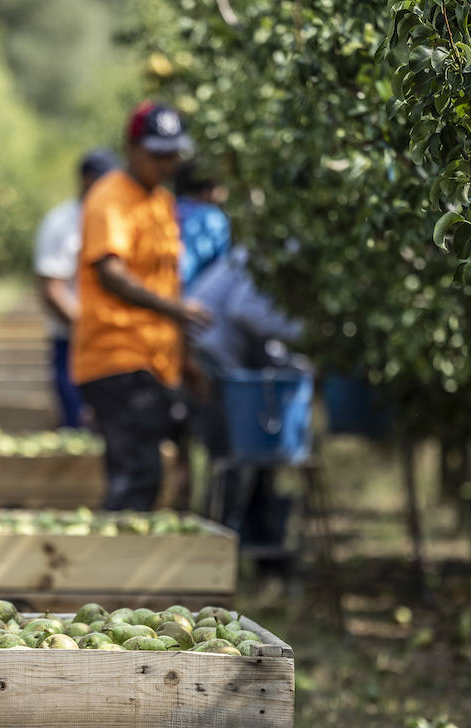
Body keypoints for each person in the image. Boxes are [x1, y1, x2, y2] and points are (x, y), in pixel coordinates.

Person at [72, 101, 211, 510]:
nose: (166, 164)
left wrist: (185, 358)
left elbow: (168, 280)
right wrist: (174, 311)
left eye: (173, 155)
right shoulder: (110, 198)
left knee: (148, 475)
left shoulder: (161, 202)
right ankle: (109, 567)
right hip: (116, 358)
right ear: (131, 149)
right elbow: (110, 273)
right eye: (157, 155)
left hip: (153, 362)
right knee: (138, 475)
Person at [188, 245, 305, 555]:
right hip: (209, 359)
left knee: (238, 463)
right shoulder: (273, 254)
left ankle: (237, 548)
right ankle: (214, 555)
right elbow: (246, 310)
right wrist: (308, 332)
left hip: (219, 361)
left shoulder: (264, 252)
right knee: (231, 462)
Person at [33, 148, 119, 428]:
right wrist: (87, 327)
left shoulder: (115, 219)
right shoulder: (61, 223)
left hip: (113, 343)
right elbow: (53, 289)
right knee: (77, 423)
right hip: (72, 341)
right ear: (87, 180)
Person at [174, 160, 232, 288]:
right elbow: (222, 265)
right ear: (207, 190)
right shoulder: (213, 218)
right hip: (193, 295)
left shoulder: (164, 208)